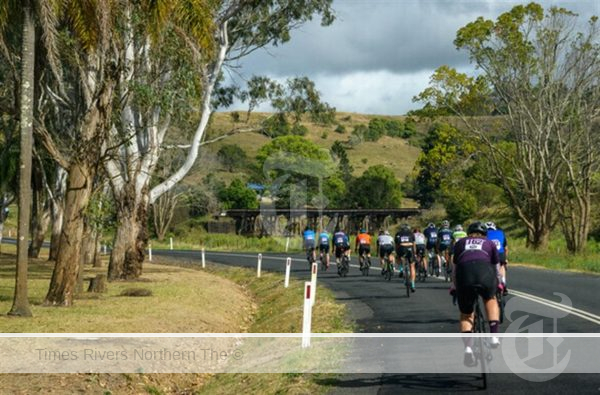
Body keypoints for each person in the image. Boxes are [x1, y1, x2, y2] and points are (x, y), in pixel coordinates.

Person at [452, 221, 502, 366]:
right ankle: (494, 336)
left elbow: (455, 268)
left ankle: (468, 348)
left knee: (466, 314)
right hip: (484, 273)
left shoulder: (460, 243)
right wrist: (498, 284)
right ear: (485, 234)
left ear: (468, 233)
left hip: (465, 274)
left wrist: (454, 286)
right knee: (490, 299)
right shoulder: (489, 243)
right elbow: (496, 267)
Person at [485, 221, 508, 296]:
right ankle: (504, 283)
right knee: (502, 266)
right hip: (501, 254)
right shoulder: (501, 232)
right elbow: (506, 248)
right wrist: (505, 259)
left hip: (490, 255)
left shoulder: (484, 234)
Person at [395, 223, 416, 292]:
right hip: (410, 248)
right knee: (412, 266)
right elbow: (414, 244)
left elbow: (396, 245)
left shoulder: (398, 233)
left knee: (399, 257)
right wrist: (414, 252)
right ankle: (413, 285)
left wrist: (397, 253)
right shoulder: (411, 233)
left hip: (401, 248)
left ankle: (401, 269)